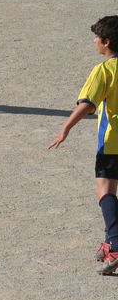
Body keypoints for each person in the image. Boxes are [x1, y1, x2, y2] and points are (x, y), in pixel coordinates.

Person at [49, 16, 118, 274]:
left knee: (105, 190)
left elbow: (88, 104)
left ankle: (116, 245)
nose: (94, 41)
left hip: (112, 143)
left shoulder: (104, 70)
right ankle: (110, 240)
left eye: (97, 38)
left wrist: (65, 128)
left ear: (106, 42)